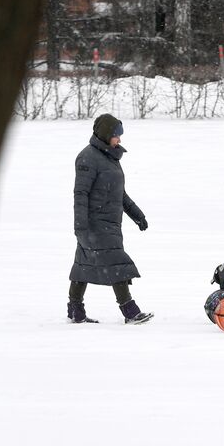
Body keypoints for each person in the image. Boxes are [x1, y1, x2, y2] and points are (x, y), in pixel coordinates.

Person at [67, 113, 153, 324]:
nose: (120, 140)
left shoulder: (109, 158)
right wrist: (80, 225)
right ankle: (130, 311)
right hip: (95, 224)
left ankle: (75, 311)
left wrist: (137, 215)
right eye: (116, 135)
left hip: (110, 223)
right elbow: (81, 194)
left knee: (83, 266)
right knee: (117, 263)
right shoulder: (87, 158)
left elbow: (119, 193)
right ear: (106, 135)